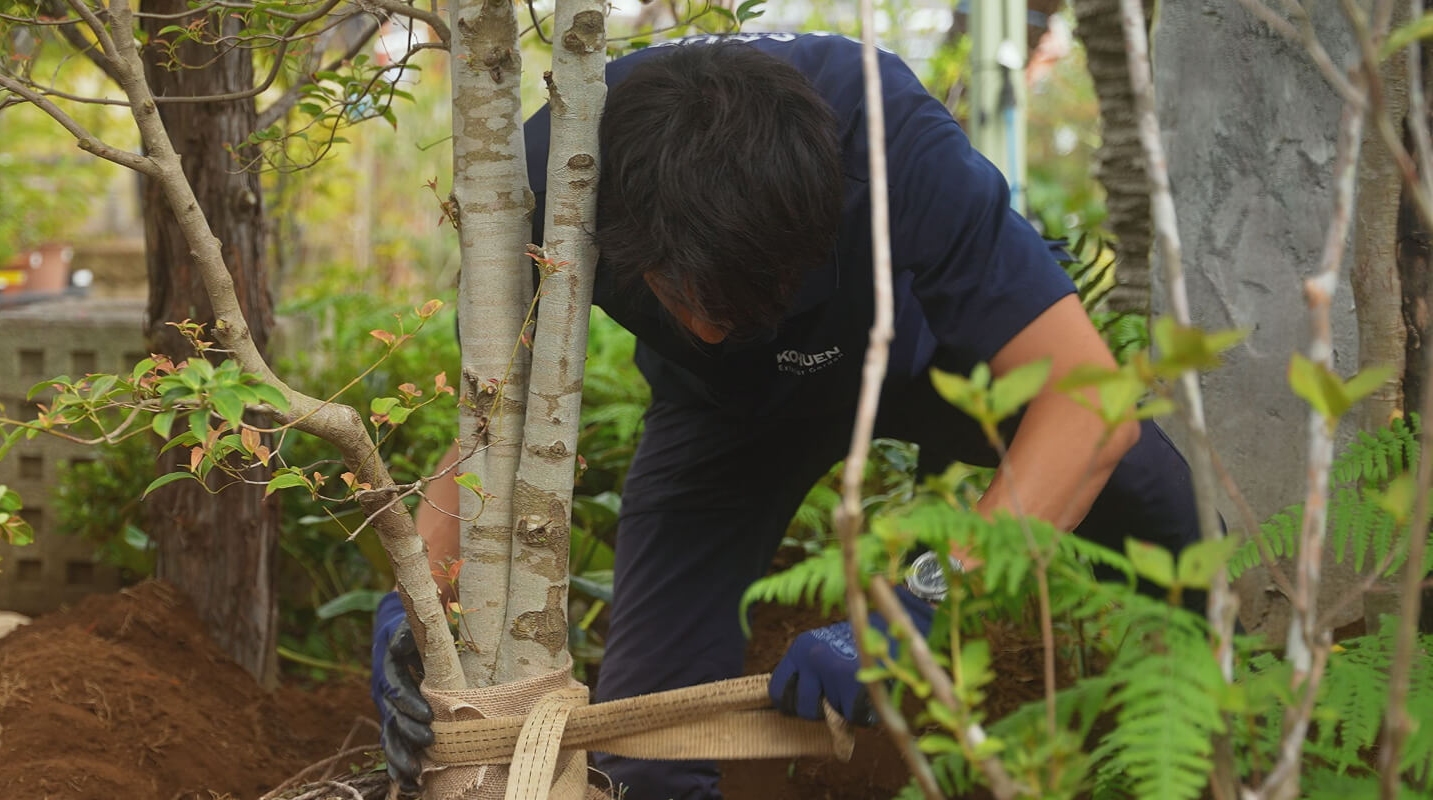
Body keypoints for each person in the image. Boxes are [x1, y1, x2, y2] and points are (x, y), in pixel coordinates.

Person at [368, 32, 1206, 799]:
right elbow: (490, 425)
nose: (716, 325)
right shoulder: (554, 174)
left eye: (751, 302)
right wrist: (421, 611)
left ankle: (1212, 737)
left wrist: (918, 607)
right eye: (691, 301)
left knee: (1166, 516)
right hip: (721, 414)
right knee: (644, 746)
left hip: (927, 358)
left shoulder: (893, 140)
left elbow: (1090, 405)